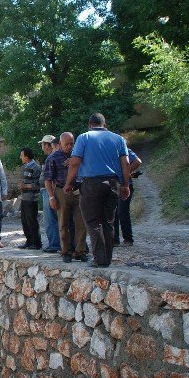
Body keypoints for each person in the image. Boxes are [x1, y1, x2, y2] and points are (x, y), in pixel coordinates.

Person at [64, 113, 130, 268]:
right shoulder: (118, 139)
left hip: (91, 184)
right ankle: (107, 258)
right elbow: (126, 163)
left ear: (89, 125)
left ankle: (99, 259)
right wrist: (125, 184)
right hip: (112, 183)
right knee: (108, 221)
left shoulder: (84, 138)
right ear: (104, 125)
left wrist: (68, 183)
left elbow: (75, 163)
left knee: (93, 221)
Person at [45, 132, 88, 263]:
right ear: (60, 144)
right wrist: (51, 197)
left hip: (78, 190)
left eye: (71, 143)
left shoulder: (78, 155)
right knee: (63, 223)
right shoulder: (53, 157)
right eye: (67, 144)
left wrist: (76, 162)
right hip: (61, 191)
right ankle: (66, 252)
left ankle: (80, 251)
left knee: (81, 223)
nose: (70, 146)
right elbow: (48, 179)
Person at [114, 147, 142, 247]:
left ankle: (128, 239)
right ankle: (115, 240)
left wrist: (125, 172)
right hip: (113, 185)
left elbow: (137, 161)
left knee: (122, 211)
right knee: (114, 212)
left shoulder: (122, 149)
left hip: (124, 185)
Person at [38, 135, 60, 253]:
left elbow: (49, 178)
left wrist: (51, 195)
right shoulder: (55, 156)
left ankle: (54, 244)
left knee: (50, 219)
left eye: (42, 145)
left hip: (49, 192)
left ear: (47, 145)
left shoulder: (51, 157)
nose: (42, 147)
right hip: (49, 191)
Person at [17, 147, 42, 250]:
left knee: (32, 221)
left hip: (32, 199)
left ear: (26, 157)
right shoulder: (26, 166)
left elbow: (38, 184)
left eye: (21, 155)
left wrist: (25, 186)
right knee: (25, 220)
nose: (20, 157)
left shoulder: (35, 167)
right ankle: (29, 241)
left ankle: (36, 243)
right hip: (25, 198)